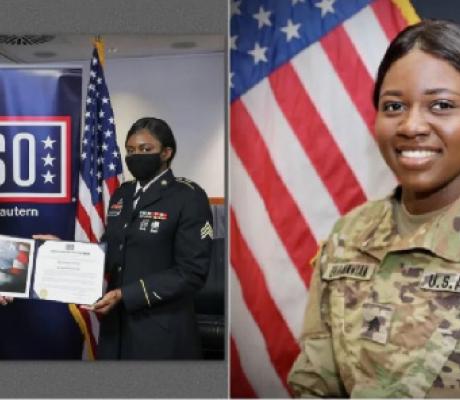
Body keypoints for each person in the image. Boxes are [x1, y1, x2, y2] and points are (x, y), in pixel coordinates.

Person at [288, 19, 460, 398]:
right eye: (394, 106)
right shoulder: (350, 233)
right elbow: (316, 379)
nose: (412, 125)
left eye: (442, 105)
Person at [84, 117, 213, 359]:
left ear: (166, 153)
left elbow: (192, 272)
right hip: (115, 327)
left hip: (161, 328)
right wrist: (61, 251)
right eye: (130, 150)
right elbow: (111, 251)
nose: (136, 156)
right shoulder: (122, 194)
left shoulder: (188, 197)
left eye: (145, 149)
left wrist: (126, 294)